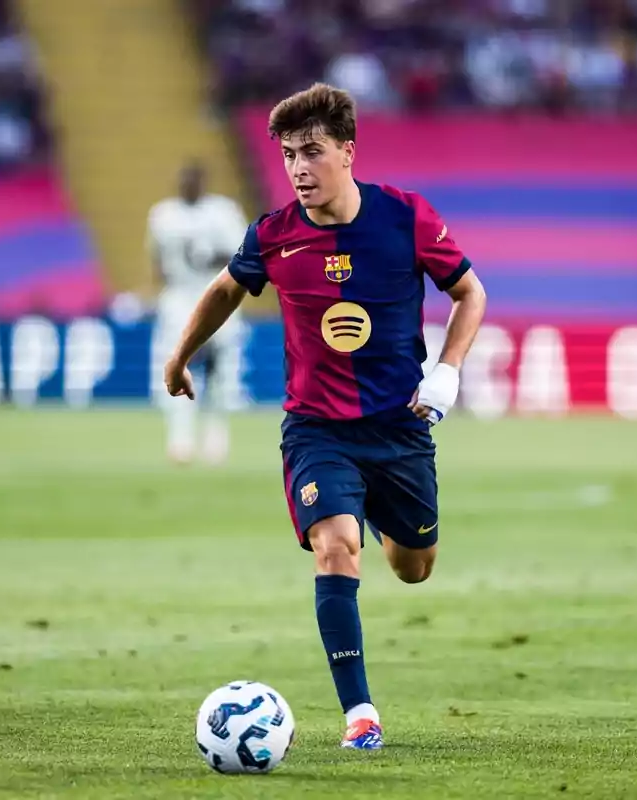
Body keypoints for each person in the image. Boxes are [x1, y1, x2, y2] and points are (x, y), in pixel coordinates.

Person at [163, 83, 487, 749]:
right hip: (317, 430)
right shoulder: (276, 236)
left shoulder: (406, 218)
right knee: (336, 548)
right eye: (287, 156)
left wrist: (448, 369)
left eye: (311, 152)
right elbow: (226, 288)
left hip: (400, 429)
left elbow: (469, 292)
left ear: (347, 151)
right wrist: (180, 357)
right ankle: (359, 715)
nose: (298, 169)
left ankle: (373, 511)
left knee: (414, 566)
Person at [147, 161, 250, 464]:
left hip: (217, 295)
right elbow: (156, 258)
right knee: (177, 365)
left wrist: (210, 255)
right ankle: (181, 440)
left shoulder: (223, 212)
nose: (188, 184)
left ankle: (215, 437)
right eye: (184, 178)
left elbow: (239, 255)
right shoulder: (163, 214)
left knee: (220, 371)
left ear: (205, 182)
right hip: (179, 297)